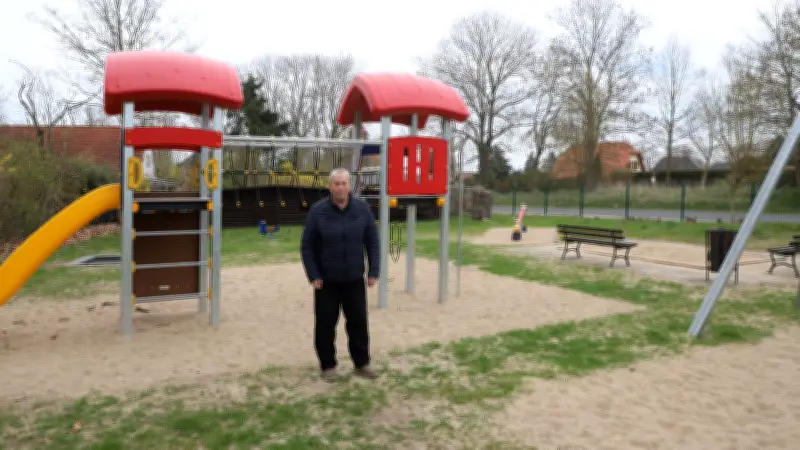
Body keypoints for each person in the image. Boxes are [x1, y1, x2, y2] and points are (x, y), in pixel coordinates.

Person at [301, 168, 380, 382]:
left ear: (349, 185)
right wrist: (313, 274)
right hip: (326, 282)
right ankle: (328, 365)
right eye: (336, 183)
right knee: (326, 324)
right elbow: (306, 246)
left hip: (354, 279)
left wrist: (374, 270)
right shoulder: (318, 212)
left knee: (358, 323)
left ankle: (362, 363)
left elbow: (372, 241)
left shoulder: (362, 209)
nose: (340, 187)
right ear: (330, 186)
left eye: (344, 183)